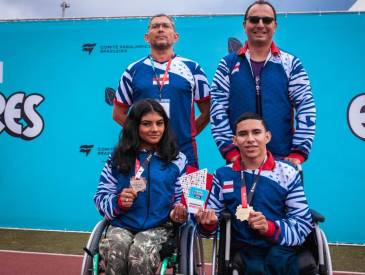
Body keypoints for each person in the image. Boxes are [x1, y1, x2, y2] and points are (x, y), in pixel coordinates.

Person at [196, 112, 313, 274]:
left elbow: (303, 223)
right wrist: (208, 223)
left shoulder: (287, 173)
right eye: (243, 134)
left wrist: (269, 227)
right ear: (235, 140)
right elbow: (209, 226)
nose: (250, 139)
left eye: (256, 132)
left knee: (277, 261)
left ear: (267, 137)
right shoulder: (222, 175)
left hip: (281, 247)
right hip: (244, 248)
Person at [210, 0, 316, 166]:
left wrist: (299, 152)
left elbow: (306, 107)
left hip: (283, 160)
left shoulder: (290, 63)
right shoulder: (227, 64)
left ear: (275, 25)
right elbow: (217, 109)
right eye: (254, 20)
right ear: (245, 25)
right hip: (240, 161)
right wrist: (230, 151)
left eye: (266, 20)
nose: (260, 24)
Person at [95, 99, 188, 275]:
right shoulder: (117, 158)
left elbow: (180, 198)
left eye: (159, 123)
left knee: (139, 253)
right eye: (147, 124)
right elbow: (100, 196)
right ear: (134, 126)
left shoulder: (177, 159)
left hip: (159, 226)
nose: (154, 129)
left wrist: (178, 211)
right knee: (117, 250)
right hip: (122, 225)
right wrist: (118, 202)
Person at [113, 13, 211, 168]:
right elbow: (118, 114)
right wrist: (142, 136)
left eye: (165, 26)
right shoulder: (132, 70)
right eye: (155, 26)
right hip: (144, 152)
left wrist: (187, 134)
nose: (160, 29)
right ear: (146, 37)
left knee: (193, 193)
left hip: (185, 150)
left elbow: (208, 110)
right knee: (143, 192)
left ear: (175, 36)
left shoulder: (193, 68)